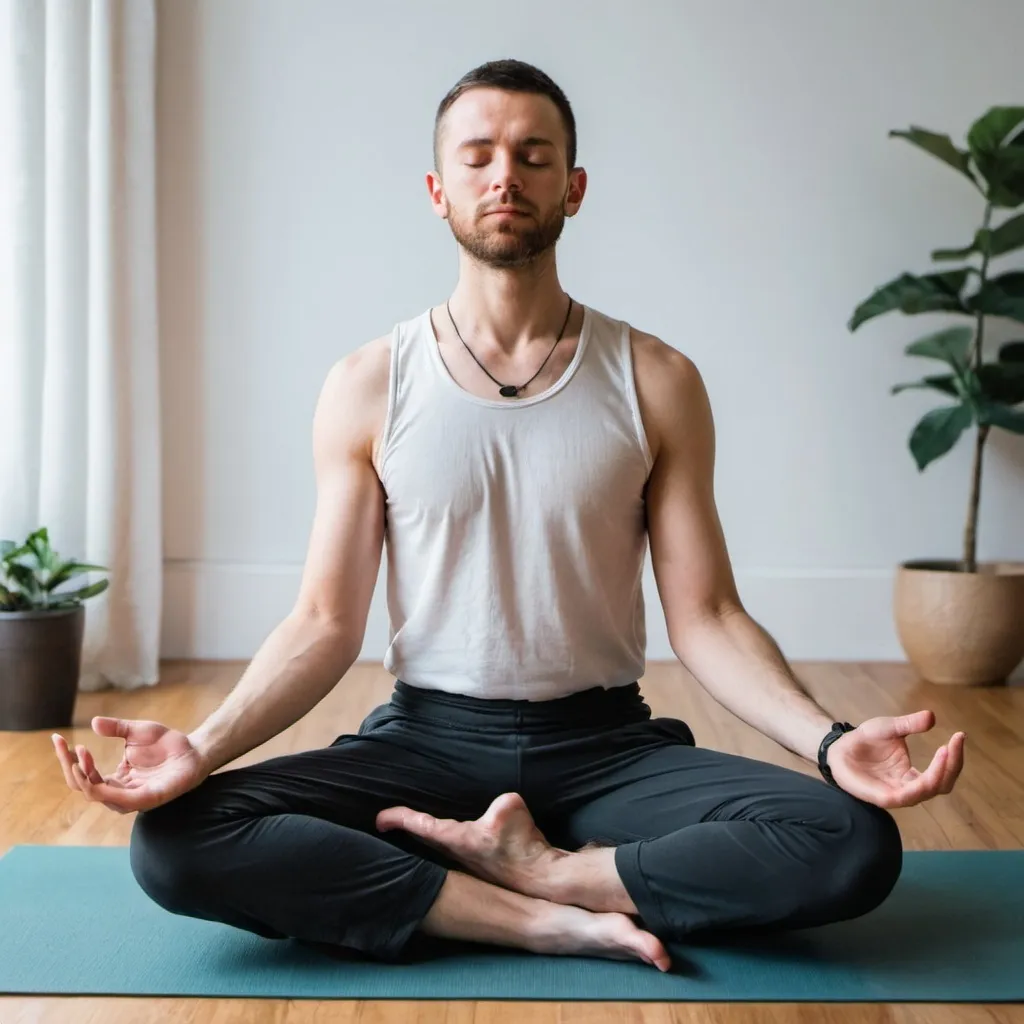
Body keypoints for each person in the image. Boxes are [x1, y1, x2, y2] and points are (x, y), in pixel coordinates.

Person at [52, 59, 966, 973]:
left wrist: (833, 741)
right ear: (436, 190)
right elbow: (327, 623)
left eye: (534, 155)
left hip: (607, 748)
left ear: (572, 187)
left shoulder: (657, 378)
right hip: (426, 744)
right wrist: (200, 747)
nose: (505, 175)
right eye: (479, 155)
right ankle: (531, 913)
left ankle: (550, 873)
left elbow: (709, 617)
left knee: (851, 840)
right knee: (175, 839)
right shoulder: (370, 383)